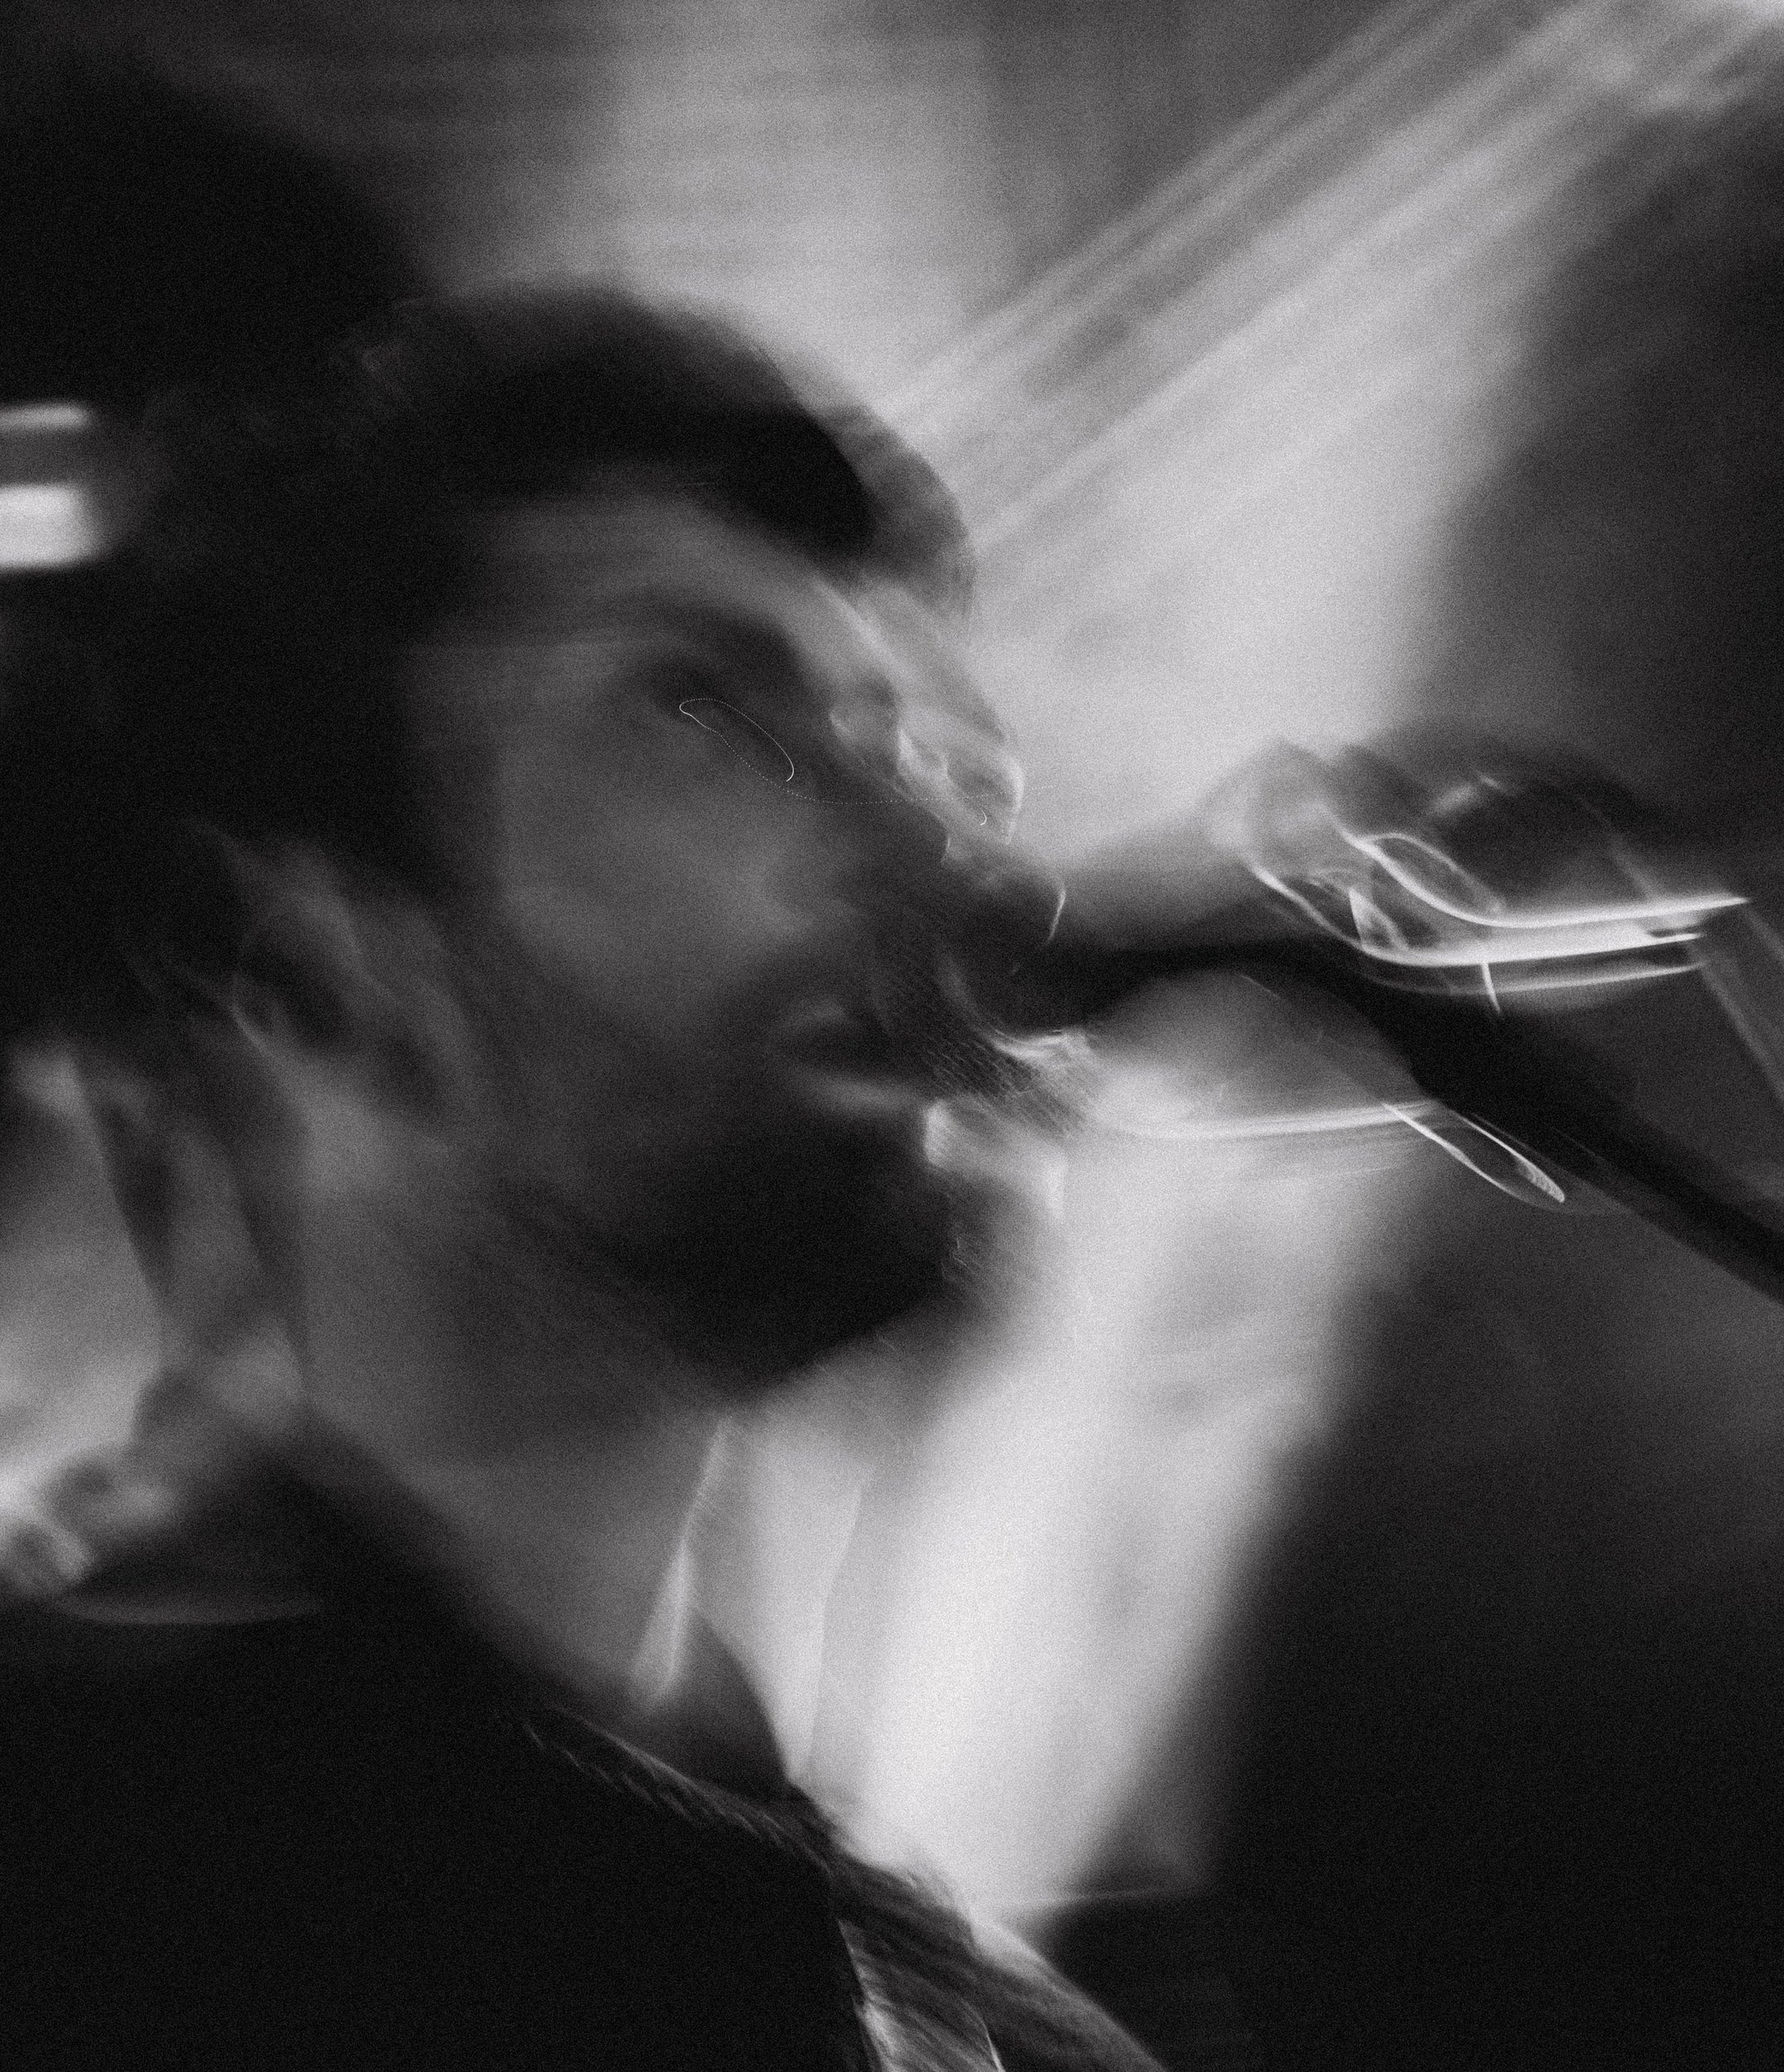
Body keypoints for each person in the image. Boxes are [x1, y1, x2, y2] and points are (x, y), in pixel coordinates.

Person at [0, 285, 1161, 2071]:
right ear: (306, 954)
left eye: (933, 755)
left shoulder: (905, 1984)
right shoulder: (93, 1865)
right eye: (699, 711)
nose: (931, 845)